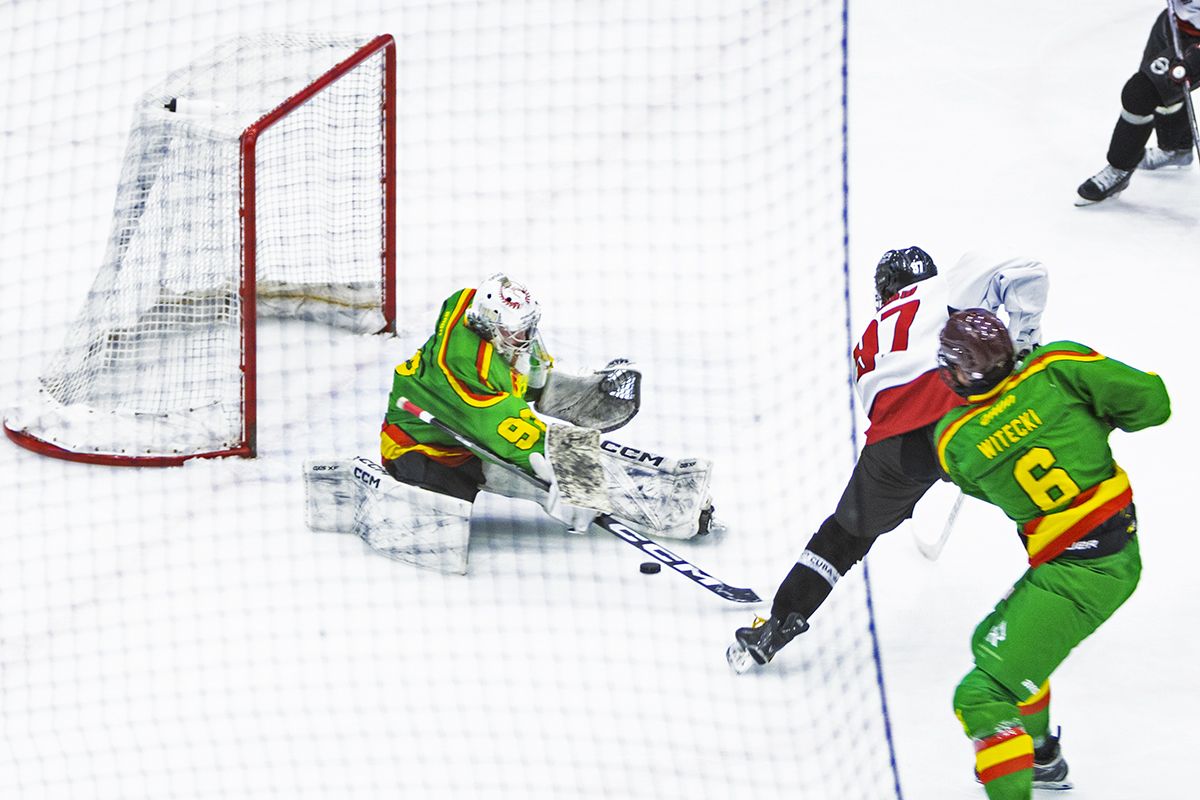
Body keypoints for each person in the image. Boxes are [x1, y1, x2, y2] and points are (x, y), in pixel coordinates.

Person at [726, 247, 1048, 673]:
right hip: (961, 424)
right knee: (1036, 490)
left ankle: (777, 625)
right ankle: (1063, 579)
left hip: (895, 452)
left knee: (844, 536)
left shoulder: (867, 342)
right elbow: (1028, 271)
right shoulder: (943, 287)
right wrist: (1024, 342)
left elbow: (881, 406)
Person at [933, 309, 1169, 799]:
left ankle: (1030, 762)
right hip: (1101, 554)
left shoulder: (954, 440)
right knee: (990, 646)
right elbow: (1153, 404)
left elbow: (990, 491)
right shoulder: (1058, 367)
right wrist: (1091, 417)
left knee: (980, 696)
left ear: (961, 372)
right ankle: (1041, 757)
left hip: (1080, 572)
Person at [379, 273, 715, 541]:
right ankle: (672, 516)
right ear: (488, 326)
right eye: (515, 332)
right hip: (429, 452)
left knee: (556, 438)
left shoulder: (471, 305)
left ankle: (563, 396)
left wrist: (549, 382)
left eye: (525, 326)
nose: (524, 336)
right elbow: (521, 440)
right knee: (559, 464)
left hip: (466, 419)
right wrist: (577, 484)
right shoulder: (468, 379)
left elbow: (517, 361)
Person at [1076, 0, 1200, 205]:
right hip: (1172, 25)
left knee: (1140, 94)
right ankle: (1177, 147)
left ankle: (1120, 168)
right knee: (1160, 90)